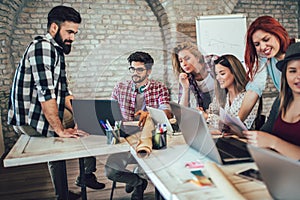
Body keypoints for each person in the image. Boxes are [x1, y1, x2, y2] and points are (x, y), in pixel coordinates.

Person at [7, 6, 104, 200]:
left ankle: (83, 177)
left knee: (87, 121)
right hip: (30, 118)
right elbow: (46, 94)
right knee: (64, 136)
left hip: (42, 111)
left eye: (75, 33)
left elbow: (64, 92)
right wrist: (60, 130)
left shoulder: (56, 50)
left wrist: (83, 113)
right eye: (69, 32)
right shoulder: (42, 48)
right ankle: (67, 191)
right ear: (53, 27)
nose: (72, 38)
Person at [105, 51, 172, 200]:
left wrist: (150, 114)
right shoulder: (120, 87)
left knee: (151, 169)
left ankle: (139, 180)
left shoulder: (159, 88)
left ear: (149, 71)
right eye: (132, 69)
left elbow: (166, 112)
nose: (135, 73)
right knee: (110, 171)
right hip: (126, 141)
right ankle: (138, 182)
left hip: (149, 143)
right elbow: (110, 112)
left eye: (140, 69)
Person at [244, 42, 300, 160]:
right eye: (292, 71)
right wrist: (241, 133)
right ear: (285, 74)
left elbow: (270, 140)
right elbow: (265, 133)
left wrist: (274, 143)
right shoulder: (281, 100)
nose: (298, 76)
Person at [238, 16, 294, 122]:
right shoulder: (267, 60)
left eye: (266, 39)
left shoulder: (296, 49)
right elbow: (254, 89)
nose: (263, 47)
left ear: (278, 33)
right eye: (257, 44)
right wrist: (237, 121)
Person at [203, 54, 258, 132]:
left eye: (222, 74)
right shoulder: (222, 95)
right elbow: (211, 111)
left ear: (234, 72)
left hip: (244, 142)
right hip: (225, 139)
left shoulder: (249, 96)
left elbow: (240, 128)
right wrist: (202, 113)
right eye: (216, 74)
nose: (218, 78)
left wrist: (208, 117)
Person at [172, 41, 216, 110]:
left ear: (197, 57)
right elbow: (181, 110)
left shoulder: (212, 62)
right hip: (206, 115)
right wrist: (185, 88)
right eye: (181, 61)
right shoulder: (186, 78)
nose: (184, 64)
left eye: (187, 58)